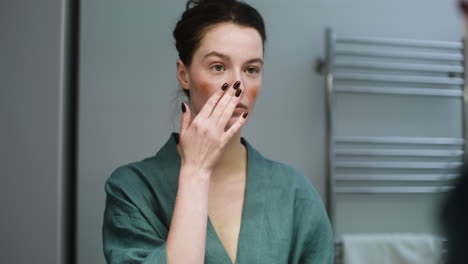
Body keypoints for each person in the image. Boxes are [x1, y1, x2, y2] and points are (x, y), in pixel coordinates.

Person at [102, 0, 334, 263]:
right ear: (184, 74)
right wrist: (195, 173)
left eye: (251, 69)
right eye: (218, 67)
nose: (238, 84)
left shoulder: (294, 191)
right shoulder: (132, 189)